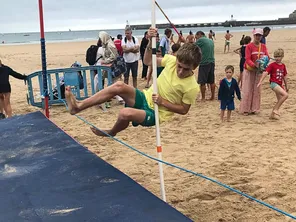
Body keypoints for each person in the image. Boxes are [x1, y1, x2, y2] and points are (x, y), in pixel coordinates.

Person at [64, 28, 201, 137]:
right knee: (119, 85)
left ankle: (112, 132)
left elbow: (184, 110)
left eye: (186, 69)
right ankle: (78, 107)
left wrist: (163, 102)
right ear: (177, 60)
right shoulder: (171, 61)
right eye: (179, 66)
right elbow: (147, 61)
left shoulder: (192, 87)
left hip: (156, 113)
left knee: (125, 113)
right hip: (145, 97)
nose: (180, 71)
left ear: (194, 67)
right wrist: (149, 42)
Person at [239, 28, 269, 115]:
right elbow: (247, 59)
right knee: (247, 89)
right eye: (256, 35)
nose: (258, 37)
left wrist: (263, 64)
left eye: (259, 35)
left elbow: (267, 56)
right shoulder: (249, 46)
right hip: (250, 70)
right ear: (254, 35)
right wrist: (254, 65)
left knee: (257, 90)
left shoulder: (263, 46)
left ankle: (254, 108)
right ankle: (245, 109)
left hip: (258, 71)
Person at [257, 48, 288, 120]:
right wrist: (260, 81)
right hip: (274, 84)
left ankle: (272, 115)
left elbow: (285, 76)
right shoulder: (272, 65)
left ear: (282, 57)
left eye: (279, 56)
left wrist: (287, 86)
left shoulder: (283, 65)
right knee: (285, 95)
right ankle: (275, 109)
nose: (277, 58)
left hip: (280, 84)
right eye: (276, 56)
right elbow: (265, 72)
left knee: (280, 99)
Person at [195, 31, 215, 101]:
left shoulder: (201, 40)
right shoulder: (210, 40)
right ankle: (212, 96)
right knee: (212, 81)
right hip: (212, 62)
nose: (196, 39)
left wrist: (184, 41)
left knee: (202, 82)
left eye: (196, 37)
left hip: (204, 63)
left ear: (199, 35)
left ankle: (203, 98)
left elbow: (192, 47)